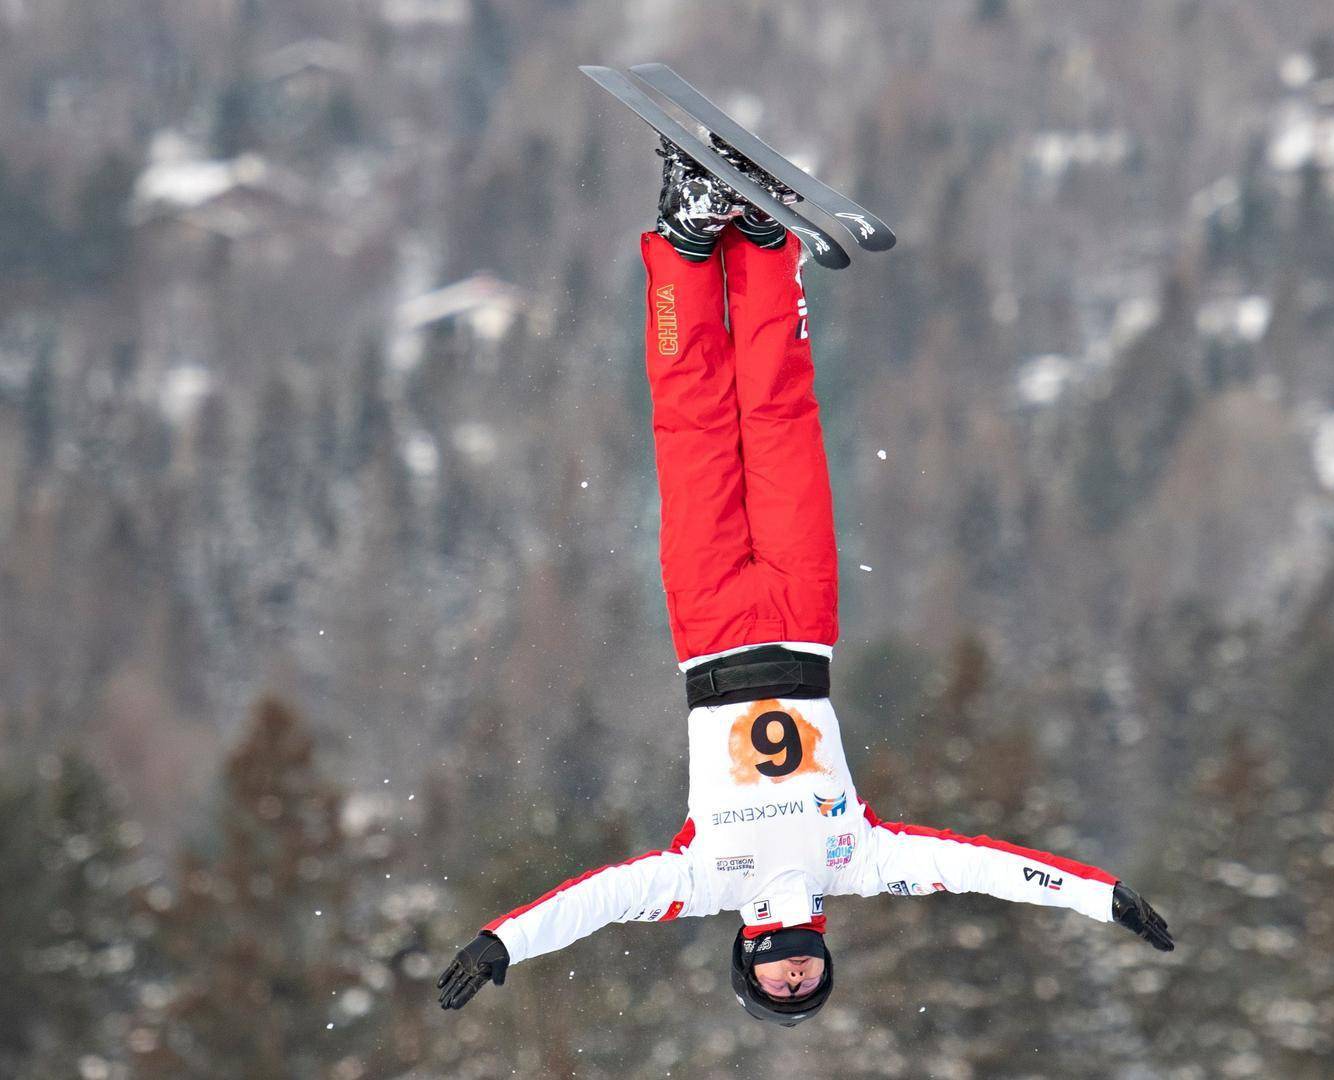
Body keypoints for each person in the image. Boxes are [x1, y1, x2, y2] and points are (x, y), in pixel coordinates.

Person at [436, 140, 1174, 1027]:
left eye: (778, 990)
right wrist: (1101, 897)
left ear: (748, 962)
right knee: (781, 417)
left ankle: (683, 245)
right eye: (809, 988)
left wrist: (504, 940)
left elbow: (596, 901)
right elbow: (983, 866)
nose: (796, 982)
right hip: (800, 625)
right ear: (823, 960)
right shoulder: (856, 860)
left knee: (696, 428)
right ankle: (757, 243)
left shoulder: (701, 879)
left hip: (709, 633)